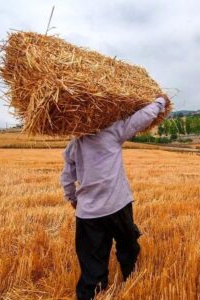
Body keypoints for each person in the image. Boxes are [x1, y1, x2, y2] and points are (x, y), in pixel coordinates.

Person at [60, 96, 169, 300]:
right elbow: (142, 117)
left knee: (92, 261)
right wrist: (160, 102)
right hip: (118, 205)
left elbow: (67, 178)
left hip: (88, 213)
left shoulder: (75, 144)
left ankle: (92, 294)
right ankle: (132, 281)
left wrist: (73, 199)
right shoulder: (113, 132)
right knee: (128, 245)